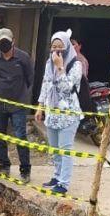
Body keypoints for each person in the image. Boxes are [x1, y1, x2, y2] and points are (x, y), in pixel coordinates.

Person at [35, 30, 83, 195]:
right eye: (53, 46)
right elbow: (46, 84)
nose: (56, 50)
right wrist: (40, 106)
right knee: (54, 148)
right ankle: (56, 176)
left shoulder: (76, 65)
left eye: (60, 46)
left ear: (67, 47)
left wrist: (60, 67)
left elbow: (67, 88)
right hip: (52, 112)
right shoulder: (49, 63)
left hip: (68, 114)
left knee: (65, 149)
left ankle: (63, 183)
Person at [0, 28, 34, 182]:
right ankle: (4, 165)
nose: (4, 45)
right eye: (1, 43)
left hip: (18, 105)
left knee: (20, 136)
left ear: (13, 41)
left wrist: (19, 95)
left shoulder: (23, 58)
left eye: (7, 42)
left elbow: (29, 79)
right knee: (0, 137)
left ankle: (25, 169)